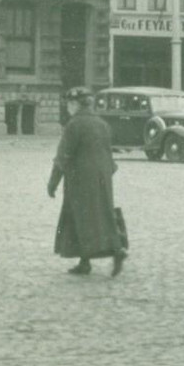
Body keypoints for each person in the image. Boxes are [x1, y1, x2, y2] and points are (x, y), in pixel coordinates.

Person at [47, 87, 127, 277]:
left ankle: (116, 251)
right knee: (101, 216)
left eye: (69, 104)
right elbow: (108, 153)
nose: (68, 108)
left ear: (75, 104)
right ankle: (85, 261)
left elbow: (63, 155)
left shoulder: (74, 125)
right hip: (103, 178)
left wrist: (53, 182)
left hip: (80, 179)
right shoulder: (102, 123)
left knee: (80, 218)